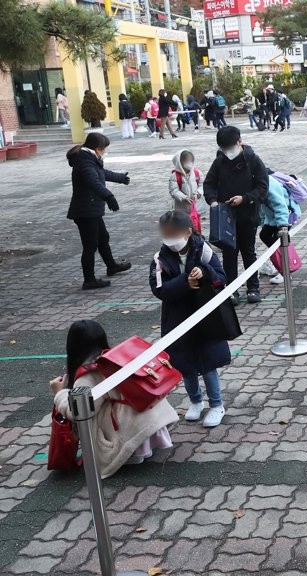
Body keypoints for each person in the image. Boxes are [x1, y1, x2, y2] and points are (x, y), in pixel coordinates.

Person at [50, 320, 176, 477]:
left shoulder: (87, 375)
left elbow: (78, 413)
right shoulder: (116, 357)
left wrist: (59, 394)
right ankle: (145, 447)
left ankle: (130, 453)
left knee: (92, 410)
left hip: (131, 431)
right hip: (152, 418)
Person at [150, 211, 231, 428]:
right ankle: (195, 401)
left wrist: (204, 273)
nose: (169, 239)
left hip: (205, 317)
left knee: (208, 363)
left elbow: (221, 278)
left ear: (187, 232)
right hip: (176, 320)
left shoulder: (203, 250)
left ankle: (216, 404)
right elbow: (159, 289)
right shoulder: (160, 259)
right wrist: (185, 282)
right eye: (165, 234)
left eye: (173, 234)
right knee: (185, 364)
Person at [203, 126, 269, 305]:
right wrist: (213, 201)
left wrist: (245, 198)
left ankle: (253, 288)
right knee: (229, 254)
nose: (228, 152)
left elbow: (262, 188)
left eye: (230, 147)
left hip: (248, 215)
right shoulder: (219, 162)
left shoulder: (253, 160)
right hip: (226, 218)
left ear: (240, 141)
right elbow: (208, 184)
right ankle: (231, 290)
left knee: (248, 252)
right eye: (224, 149)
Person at [66, 133, 132, 290]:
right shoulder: (85, 162)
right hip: (85, 211)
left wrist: (120, 178)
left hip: (90, 209)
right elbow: (93, 182)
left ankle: (111, 266)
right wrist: (109, 196)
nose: (104, 152)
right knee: (90, 246)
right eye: (104, 149)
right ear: (97, 148)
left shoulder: (88, 158)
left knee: (103, 238)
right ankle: (89, 280)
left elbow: (102, 173)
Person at [259, 172, 301, 285]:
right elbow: (261, 205)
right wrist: (263, 221)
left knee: (280, 241)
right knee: (265, 236)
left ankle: (286, 271)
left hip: (286, 215)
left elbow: (280, 205)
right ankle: (284, 266)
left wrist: (283, 225)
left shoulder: (269, 183)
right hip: (273, 217)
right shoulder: (258, 181)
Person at [168, 149, 202, 215]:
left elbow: (202, 185)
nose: (189, 164)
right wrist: (184, 197)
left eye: (191, 161)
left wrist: (197, 193)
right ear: (179, 163)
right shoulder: (175, 176)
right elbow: (174, 190)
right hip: (181, 209)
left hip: (196, 207)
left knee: (195, 223)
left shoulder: (197, 173)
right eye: (186, 162)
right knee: (183, 224)